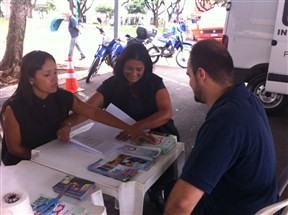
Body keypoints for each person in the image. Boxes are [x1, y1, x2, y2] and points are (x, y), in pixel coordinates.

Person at [57, 43, 180, 211]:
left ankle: (157, 192)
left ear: (146, 68)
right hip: (122, 134)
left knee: (159, 170)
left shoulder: (154, 82)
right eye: (129, 68)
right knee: (109, 163)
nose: (134, 74)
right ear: (121, 65)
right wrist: (68, 123)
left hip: (155, 131)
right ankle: (122, 197)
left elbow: (166, 113)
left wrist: (135, 127)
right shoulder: (111, 84)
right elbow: (88, 109)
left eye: (139, 69)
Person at [163, 39, 279, 215]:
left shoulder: (225, 121)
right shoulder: (248, 99)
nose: (190, 83)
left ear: (201, 74)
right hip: (259, 202)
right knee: (172, 187)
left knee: (173, 196)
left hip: (237, 209)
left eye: (189, 75)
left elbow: (181, 205)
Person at [0, 50, 153, 166]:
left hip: (56, 156)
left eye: (55, 72)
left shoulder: (62, 96)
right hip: (24, 164)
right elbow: (15, 149)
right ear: (30, 79)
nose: (55, 78)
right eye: (47, 74)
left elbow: (93, 112)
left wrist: (130, 128)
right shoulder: (14, 108)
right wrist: (43, 158)